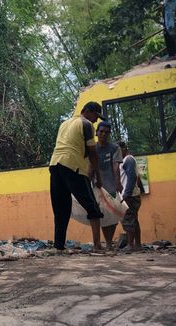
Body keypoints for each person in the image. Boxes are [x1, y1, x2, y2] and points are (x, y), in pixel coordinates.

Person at [49, 101, 105, 252]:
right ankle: (97, 245)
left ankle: (58, 246)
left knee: (61, 209)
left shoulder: (64, 123)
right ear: (89, 111)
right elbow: (93, 154)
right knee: (92, 206)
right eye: (96, 116)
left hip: (55, 164)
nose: (96, 120)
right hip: (72, 165)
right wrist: (98, 178)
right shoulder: (86, 124)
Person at [93, 121, 123, 251]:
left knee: (115, 215)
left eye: (107, 132)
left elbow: (116, 166)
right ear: (97, 133)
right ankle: (108, 243)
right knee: (104, 216)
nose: (104, 134)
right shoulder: (92, 148)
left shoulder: (115, 148)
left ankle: (109, 241)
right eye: (101, 131)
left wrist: (118, 182)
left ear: (109, 134)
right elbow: (90, 167)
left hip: (112, 187)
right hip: (98, 187)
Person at [118, 141, 142, 251]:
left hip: (130, 196)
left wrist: (126, 194)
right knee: (133, 220)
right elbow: (137, 178)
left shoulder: (128, 160)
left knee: (128, 220)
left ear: (123, 148)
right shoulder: (128, 160)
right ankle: (137, 245)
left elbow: (132, 177)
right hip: (133, 195)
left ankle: (130, 245)